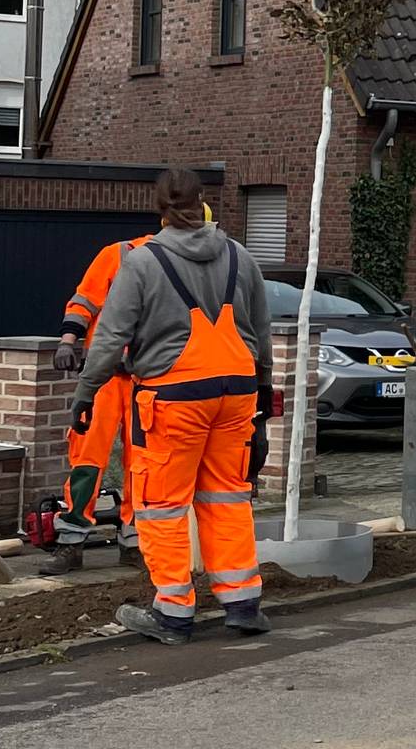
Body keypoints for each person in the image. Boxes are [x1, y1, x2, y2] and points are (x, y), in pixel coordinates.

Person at [72, 170, 275, 645]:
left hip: (174, 397)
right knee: (226, 495)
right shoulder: (240, 256)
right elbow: (261, 332)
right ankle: (242, 602)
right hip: (237, 391)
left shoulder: (142, 263)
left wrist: (87, 392)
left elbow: (110, 337)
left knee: (161, 504)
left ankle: (173, 612)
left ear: (160, 209)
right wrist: (262, 396)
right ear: (202, 203)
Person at [41, 230, 155, 575]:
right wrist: (68, 340)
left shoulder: (175, 262)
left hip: (145, 379)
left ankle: (134, 541)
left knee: (143, 463)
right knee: (88, 456)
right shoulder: (118, 254)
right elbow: (85, 300)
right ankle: (72, 540)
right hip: (105, 378)